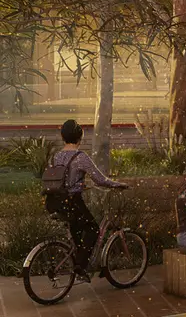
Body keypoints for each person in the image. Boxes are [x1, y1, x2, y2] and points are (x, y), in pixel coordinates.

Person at [42, 119, 129, 280]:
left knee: (78, 232)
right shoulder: (80, 157)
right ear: (80, 137)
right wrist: (118, 185)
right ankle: (80, 267)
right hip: (72, 202)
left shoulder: (56, 157)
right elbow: (100, 179)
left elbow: (61, 181)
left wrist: (80, 185)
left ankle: (78, 263)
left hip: (54, 202)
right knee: (93, 229)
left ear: (63, 137)